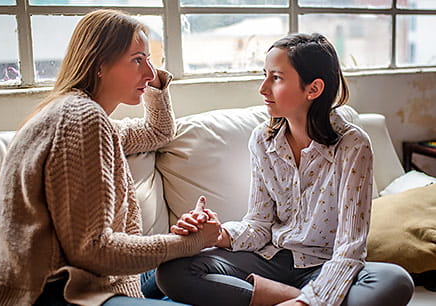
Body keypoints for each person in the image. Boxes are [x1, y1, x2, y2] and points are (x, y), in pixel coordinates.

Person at [0, 9, 221, 306]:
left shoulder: (83, 116)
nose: (148, 72)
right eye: (137, 60)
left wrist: (153, 83)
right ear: (99, 64)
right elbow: (93, 249)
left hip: (96, 281)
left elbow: (158, 131)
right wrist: (192, 241)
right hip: (54, 293)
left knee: (200, 266)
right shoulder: (81, 121)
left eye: (148, 60)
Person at [156, 33, 414, 306]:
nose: (263, 88)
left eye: (276, 78)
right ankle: (302, 301)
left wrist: (312, 296)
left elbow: (350, 249)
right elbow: (259, 225)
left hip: (325, 268)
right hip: (271, 259)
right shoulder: (262, 139)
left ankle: (299, 299)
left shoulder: (353, 144)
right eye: (265, 75)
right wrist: (219, 235)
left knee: (394, 280)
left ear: (313, 89)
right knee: (173, 272)